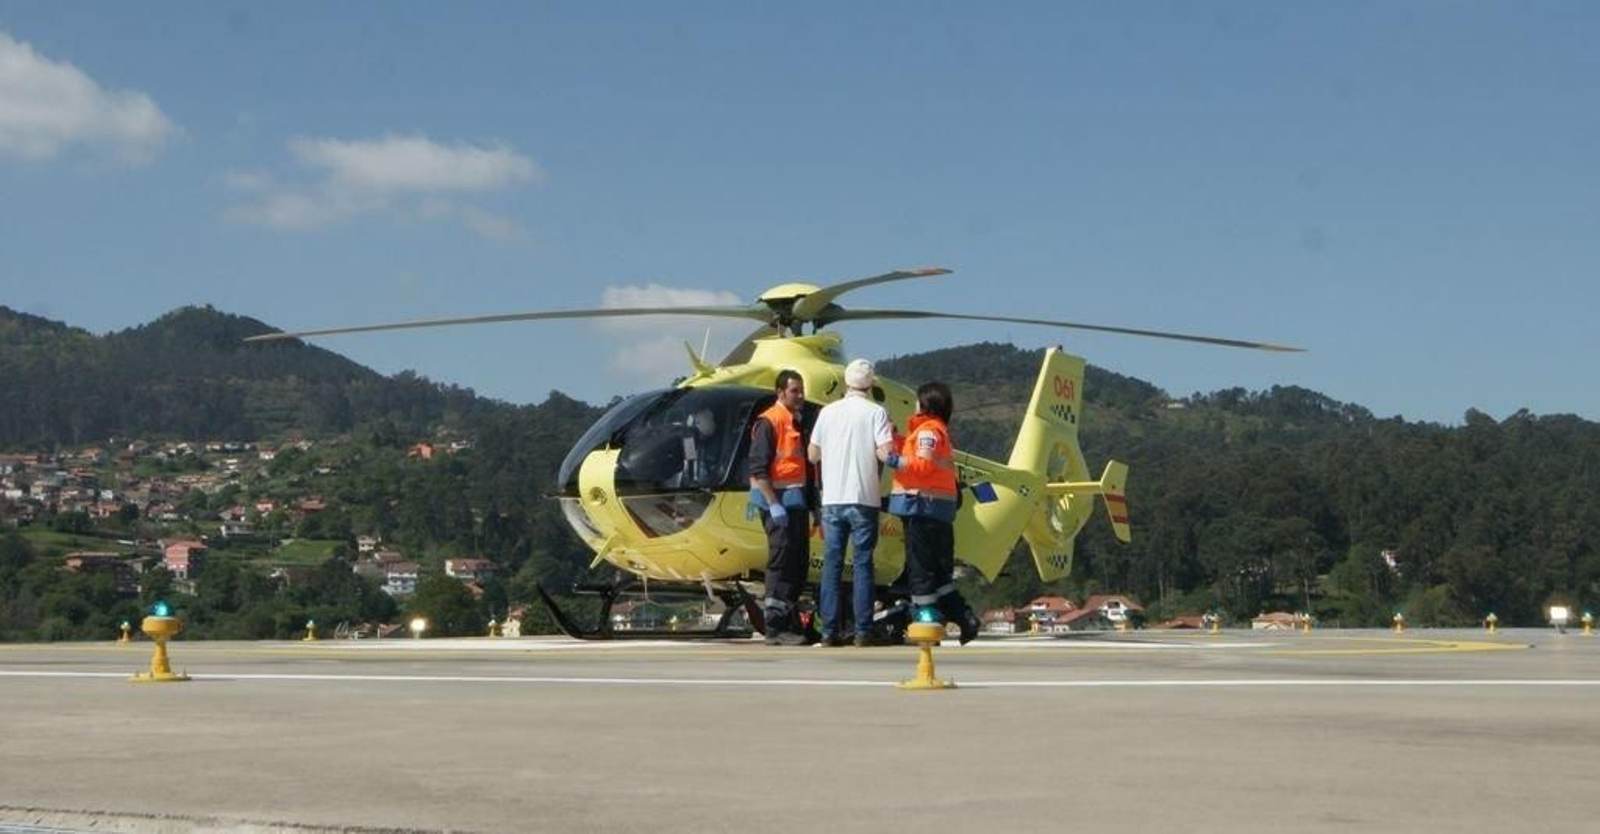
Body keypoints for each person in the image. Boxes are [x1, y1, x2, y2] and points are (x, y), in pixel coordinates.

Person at [883, 380, 981, 645]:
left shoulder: (928, 431)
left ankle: (926, 617)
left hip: (921, 508)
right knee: (939, 573)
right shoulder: (935, 433)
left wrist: (889, 459)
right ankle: (964, 618)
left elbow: (922, 466)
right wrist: (895, 439)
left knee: (921, 569)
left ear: (925, 403)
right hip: (937, 510)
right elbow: (920, 454)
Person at [808, 359, 894, 647]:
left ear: (846, 382)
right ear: (870, 384)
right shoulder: (876, 412)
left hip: (832, 499)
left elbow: (812, 454)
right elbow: (884, 453)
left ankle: (829, 631)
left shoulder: (827, 412)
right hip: (864, 498)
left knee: (831, 565)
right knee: (862, 564)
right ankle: (862, 631)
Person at [748, 369, 814, 646]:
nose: (799, 396)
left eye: (801, 391)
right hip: (779, 504)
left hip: (795, 503)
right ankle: (774, 626)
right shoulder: (770, 422)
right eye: (794, 391)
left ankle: (790, 620)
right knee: (781, 562)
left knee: (797, 563)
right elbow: (758, 469)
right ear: (780, 392)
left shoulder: (794, 422)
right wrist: (774, 505)